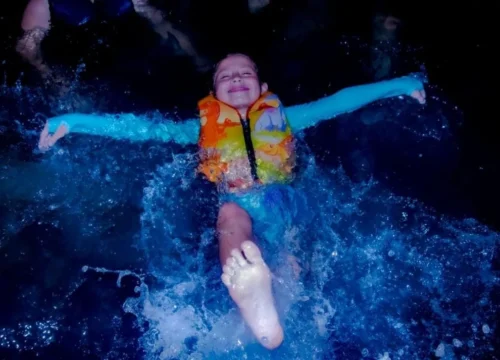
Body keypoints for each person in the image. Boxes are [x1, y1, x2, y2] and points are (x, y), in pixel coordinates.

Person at [38, 53, 426, 349]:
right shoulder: (199, 129)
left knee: (294, 252)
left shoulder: (290, 117)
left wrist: (398, 85)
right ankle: (251, 294)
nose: (237, 77)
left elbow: (342, 100)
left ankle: (270, 312)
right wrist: (74, 122)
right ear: (213, 93)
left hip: (283, 201)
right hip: (238, 201)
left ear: (262, 87)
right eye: (226, 75)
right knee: (229, 217)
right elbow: (139, 128)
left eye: (246, 73)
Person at [16, 0, 208, 85]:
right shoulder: (42, 4)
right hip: (79, 74)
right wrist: (55, 79)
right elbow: (26, 49)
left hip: (129, 65)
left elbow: (165, 27)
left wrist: (197, 58)